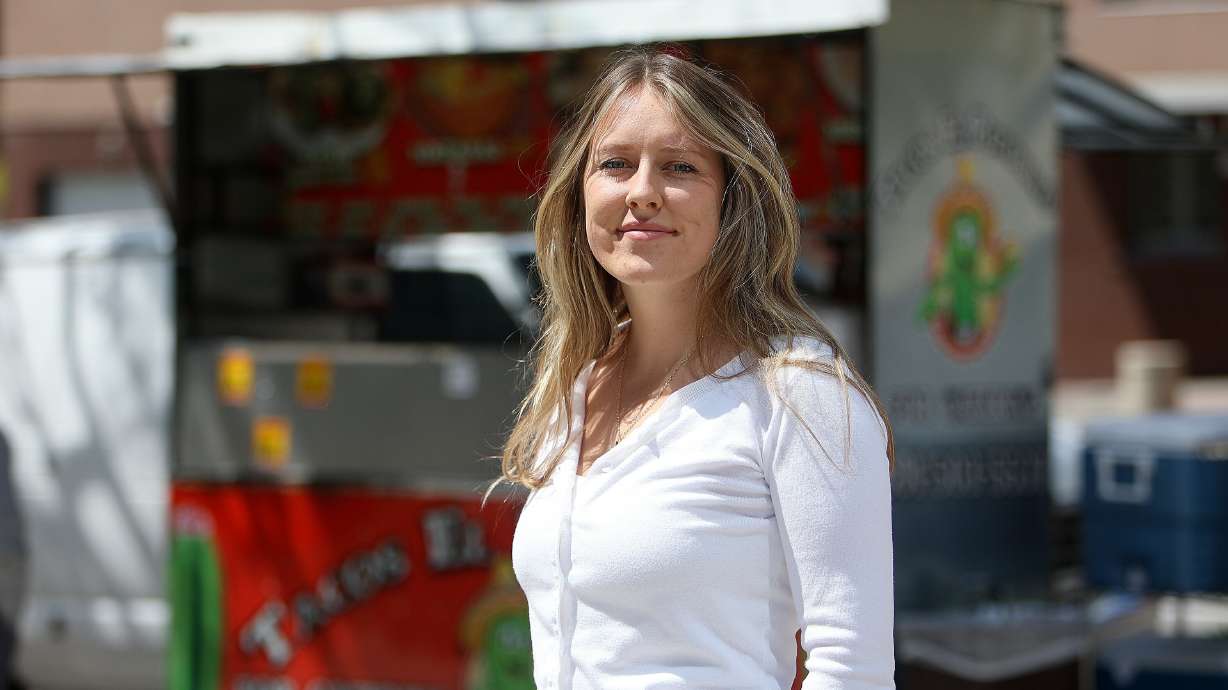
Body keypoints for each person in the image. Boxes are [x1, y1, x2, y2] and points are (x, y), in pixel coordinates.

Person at [500, 47, 896, 690]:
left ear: (731, 199)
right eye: (616, 164)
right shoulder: (574, 386)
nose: (642, 193)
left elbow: (853, 668)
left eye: (679, 166)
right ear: (580, 191)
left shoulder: (799, 393)